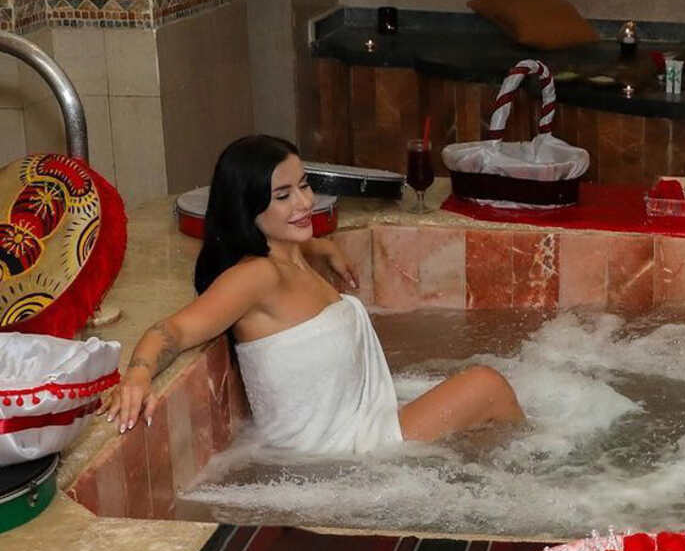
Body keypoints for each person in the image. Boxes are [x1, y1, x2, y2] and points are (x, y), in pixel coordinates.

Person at [99, 135, 524, 452]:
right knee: (485, 384)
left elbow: (297, 254)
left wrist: (321, 246)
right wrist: (137, 373)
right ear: (248, 209)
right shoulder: (255, 278)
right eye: (283, 196)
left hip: (356, 429)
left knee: (482, 396)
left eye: (304, 185)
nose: (304, 202)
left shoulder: (291, 256)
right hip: (338, 452)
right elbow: (170, 330)